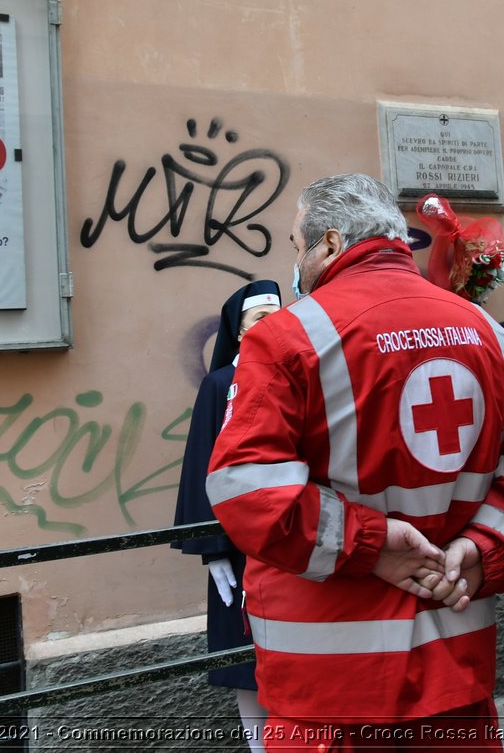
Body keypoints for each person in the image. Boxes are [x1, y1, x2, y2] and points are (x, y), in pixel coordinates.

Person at [205, 173, 504, 752]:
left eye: (296, 245)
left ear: (328, 243)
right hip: (457, 676)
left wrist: (369, 544)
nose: (296, 261)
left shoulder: (286, 338)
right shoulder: (490, 335)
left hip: (329, 695)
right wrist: (481, 553)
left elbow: (246, 488)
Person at [174, 279, 283, 751]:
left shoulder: (296, 371)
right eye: (261, 318)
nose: (273, 326)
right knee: (245, 660)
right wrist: (212, 550)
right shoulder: (220, 385)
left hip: (288, 536)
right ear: (238, 332)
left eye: (278, 316)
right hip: (235, 547)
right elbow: (202, 462)